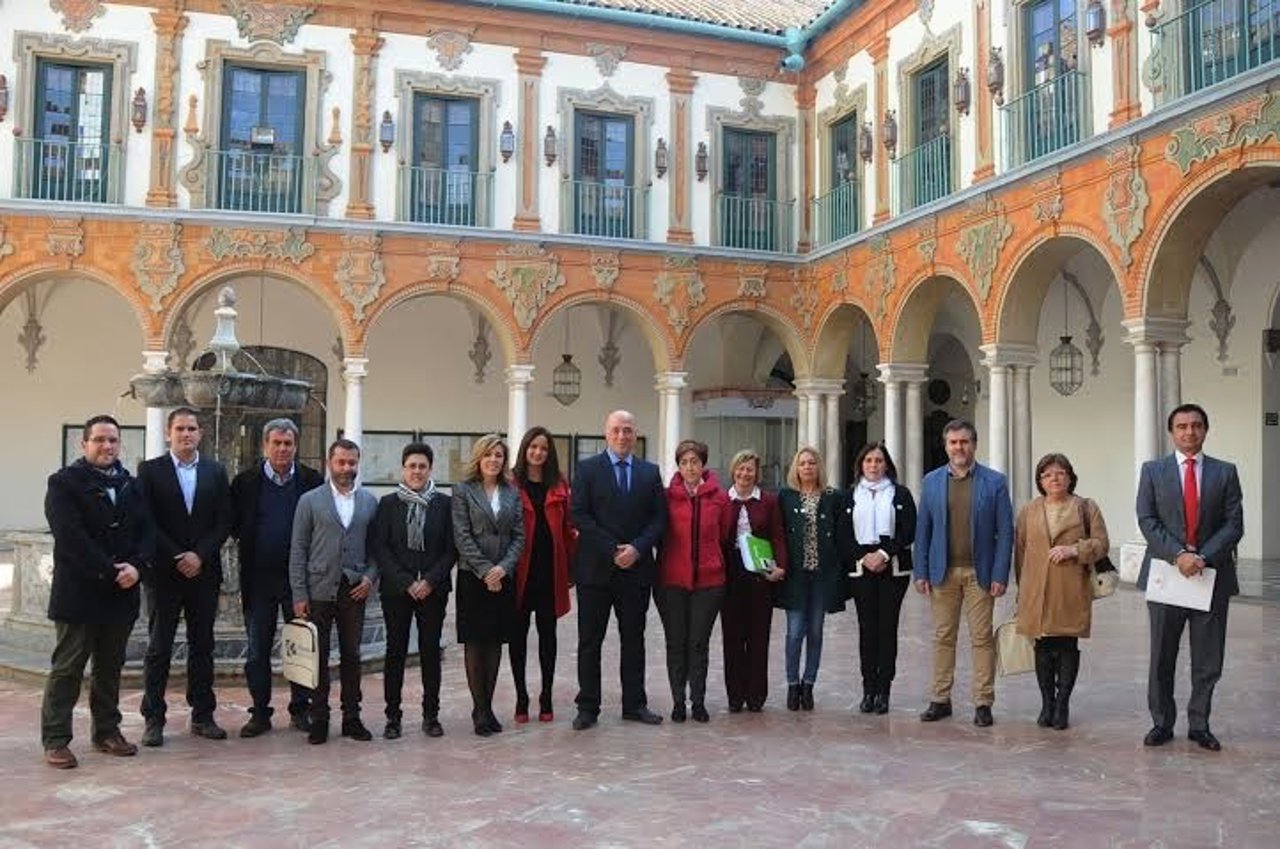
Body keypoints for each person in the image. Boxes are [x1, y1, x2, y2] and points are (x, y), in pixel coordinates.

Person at [40, 415, 151, 769]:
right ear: (84, 444)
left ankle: (106, 731)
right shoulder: (64, 483)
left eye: (113, 440)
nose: (107, 446)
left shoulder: (131, 484)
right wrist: (111, 570)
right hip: (80, 593)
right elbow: (71, 537)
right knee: (68, 668)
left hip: (121, 594)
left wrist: (137, 567)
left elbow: (146, 533)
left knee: (110, 667)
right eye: (99, 440)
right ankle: (56, 739)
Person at [1137, 403, 1243, 751]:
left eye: (1196, 425)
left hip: (1211, 576)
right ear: (1172, 432)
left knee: (1208, 658)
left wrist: (1202, 557)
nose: (1189, 432)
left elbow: (1234, 524)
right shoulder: (1153, 471)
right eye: (1181, 426)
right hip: (1167, 576)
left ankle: (1200, 724)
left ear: (1205, 430)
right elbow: (1147, 519)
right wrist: (1179, 555)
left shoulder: (1225, 472)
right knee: (1162, 656)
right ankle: (1161, 722)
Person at [136, 407, 232, 746]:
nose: (186, 434)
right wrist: (178, 554)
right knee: (159, 647)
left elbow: (224, 520)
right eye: (180, 429)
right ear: (168, 434)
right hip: (165, 573)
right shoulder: (150, 471)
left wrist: (199, 555)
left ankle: (203, 715)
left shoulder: (215, 471)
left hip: (203, 572)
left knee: (202, 645)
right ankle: (153, 718)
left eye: (192, 428)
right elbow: (146, 521)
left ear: (200, 434)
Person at [570, 410, 668, 730]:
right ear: (606, 433)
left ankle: (634, 705)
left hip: (636, 571)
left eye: (627, 430)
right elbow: (579, 515)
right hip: (595, 570)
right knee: (590, 641)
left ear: (635, 434)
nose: (622, 436)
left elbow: (659, 519)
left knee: (634, 640)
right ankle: (588, 707)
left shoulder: (649, 473)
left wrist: (637, 548)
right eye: (616, 430)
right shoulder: (587, 470)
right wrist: (613, 549)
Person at [913, 419, 1013, 728]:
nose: (959, 447)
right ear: (946, 446)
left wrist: (1000, 574)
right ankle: (940, 699)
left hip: (979, 573)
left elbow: (1005, 532)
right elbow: (923, 529)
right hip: (942, 573)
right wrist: (920, 571)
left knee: (981, 638)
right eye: (953, 442)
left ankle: (983, 702)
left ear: (974, 444)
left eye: (964, 442)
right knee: (943, 636)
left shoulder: (995, 482)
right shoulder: (931, 481)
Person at [229, 418, 324, 738]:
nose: (282, 449)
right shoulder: (245, 482)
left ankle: (300, 709)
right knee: (258, 649)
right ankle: (260, 712)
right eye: (276, 443)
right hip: (258, 580)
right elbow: (233, 523)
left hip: (299, 581)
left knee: (301, 646)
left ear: (296, 446)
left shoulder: (312, 481)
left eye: (288, 444)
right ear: (265, 445)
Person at [289, 438, 378, 745]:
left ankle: (352, 717)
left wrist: (369, 578)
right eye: (341, 462)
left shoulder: (369, 502)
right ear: (330, 464)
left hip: (353, 590)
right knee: (318, 656)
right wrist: (299, 594)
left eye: (352, 462)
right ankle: (320, 718)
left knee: (352, 654)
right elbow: (298, 549)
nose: (346, 468)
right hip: (318, 589)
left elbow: (376, 549)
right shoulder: (309, 501)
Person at [1014, 453, 1110, 730]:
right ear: (1040, 481)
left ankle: (1063, 703)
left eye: (1060, 473)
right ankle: (1047, 703)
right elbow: (1020, 552)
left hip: (1070, 587)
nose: (1053, 479)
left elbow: (1102, 543)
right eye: (1046, 475)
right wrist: (1023, 589)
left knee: (1067, 645)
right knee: (1042, 647)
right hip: (1037, 588)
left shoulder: (1085, 507)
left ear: (1070, 477)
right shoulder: (1029, 510)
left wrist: (1075, 550)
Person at [370, 442, 455, 739]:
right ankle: (392, 717)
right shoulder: (388, 504)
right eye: (411, 466)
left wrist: (429, 581)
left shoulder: (444, 504)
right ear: (403, 469)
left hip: (433, 590)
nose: (417, 471)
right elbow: (381, 548)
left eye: (422, 466)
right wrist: (407, 582)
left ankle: (431, 716)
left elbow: (450, 549)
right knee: (395, 652)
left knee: (431, 652)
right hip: (397, 591)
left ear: (430, 469)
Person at [451, 434, 524, 737]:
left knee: (495, 642)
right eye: (488, 455)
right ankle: (479, 710)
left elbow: (519, 535)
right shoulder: (463, 491)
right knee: (475, 642)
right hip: (473, 576)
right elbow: (461, 535)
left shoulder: (512, 492)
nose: (493, 460)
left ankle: (489, 707)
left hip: (503, 577)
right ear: (478, 458)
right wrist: (485, 571)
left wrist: (502, 569)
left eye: (499, 455)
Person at [835, 442, 916, 715]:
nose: (873, 465)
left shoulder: (900, 494)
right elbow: (843, 534)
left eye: (878, 460)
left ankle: (884, 690)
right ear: (860, 465)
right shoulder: (848, 496)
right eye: (868, 460)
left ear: (887, 465)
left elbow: (908, 530)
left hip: (893, 569)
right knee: (867, 629)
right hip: (861, 570)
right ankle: (868, 688)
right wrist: (864, 557)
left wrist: (882, 554)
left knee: (887, 629)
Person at [657, 440, 734, 723]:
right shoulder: (666, 497)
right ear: (678, 466)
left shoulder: (720, 498)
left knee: (699, 643)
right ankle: (678, 701)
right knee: (676, 643)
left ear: (703, 465)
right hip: (672, 581)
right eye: (684, 462)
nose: (690, 467)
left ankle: (698, 701)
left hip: (708, 582)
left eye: (695, 462)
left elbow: (724, 534)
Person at [509, 426, 575, 723]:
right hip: (520, 572)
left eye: (544, 448)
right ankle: (521, 696)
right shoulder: (511, 483)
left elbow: (569, 528)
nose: (538, 452)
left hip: (549, 571)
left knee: (548, 635)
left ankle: (546, 695)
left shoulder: (559, 484)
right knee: (518, 636)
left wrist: (571, 568)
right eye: (533, 447)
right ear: (525, 449)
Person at [776, 446, 846, 711]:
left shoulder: (832, 497)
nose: (807, 467)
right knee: (795, 632)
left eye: (812, 463)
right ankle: (792, 684)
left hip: (821, 576)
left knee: (816, 631)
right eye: (802, 463)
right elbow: (778, 533)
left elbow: (840, 535)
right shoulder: (785, 497)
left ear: (819, 467)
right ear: (796, 468)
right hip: (795, 576)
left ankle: (809, 684)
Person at [720, 449, 787, 713]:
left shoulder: (769, 501)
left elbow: (778, 535)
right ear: (733, 470)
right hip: (731, 572)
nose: (745, 473)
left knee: (759, 636)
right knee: (732, 637)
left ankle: (756, 695)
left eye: (750, 469)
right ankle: (735, 696)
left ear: (757, 473)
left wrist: (780, 566)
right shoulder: (723, 500)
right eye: (741, 468)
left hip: (760, 570)